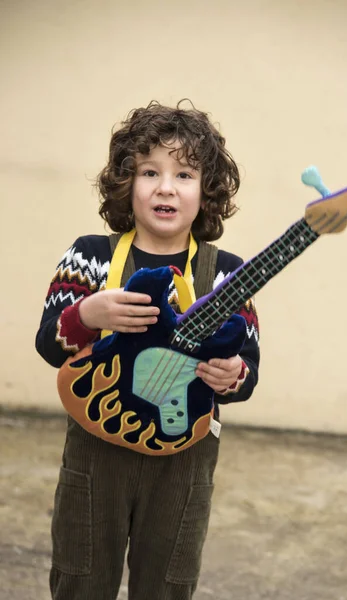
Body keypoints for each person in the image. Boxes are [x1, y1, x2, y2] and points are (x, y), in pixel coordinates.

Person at [35, 100, 260, 600]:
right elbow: (50, 344)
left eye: (184, 174)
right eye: (149, 172)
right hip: (96, 457)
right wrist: (87, 316)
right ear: (125, 184)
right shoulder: (89, 255)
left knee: (168, 585)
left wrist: (233, 374)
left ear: (207, 192)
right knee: (80, 577)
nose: (165, 187)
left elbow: (248, 370)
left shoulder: (229, 274)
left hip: (184, 461)